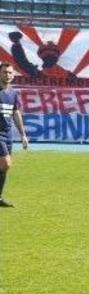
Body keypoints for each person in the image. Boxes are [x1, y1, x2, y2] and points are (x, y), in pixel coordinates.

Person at [0, 62, 29, 208]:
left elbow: (16, 113)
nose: (7, 75)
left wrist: (23, 135)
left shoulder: (13, 93)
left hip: (7, 134)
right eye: (5, 72)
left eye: (10, 72)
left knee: (4, 167)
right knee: (6, 163)